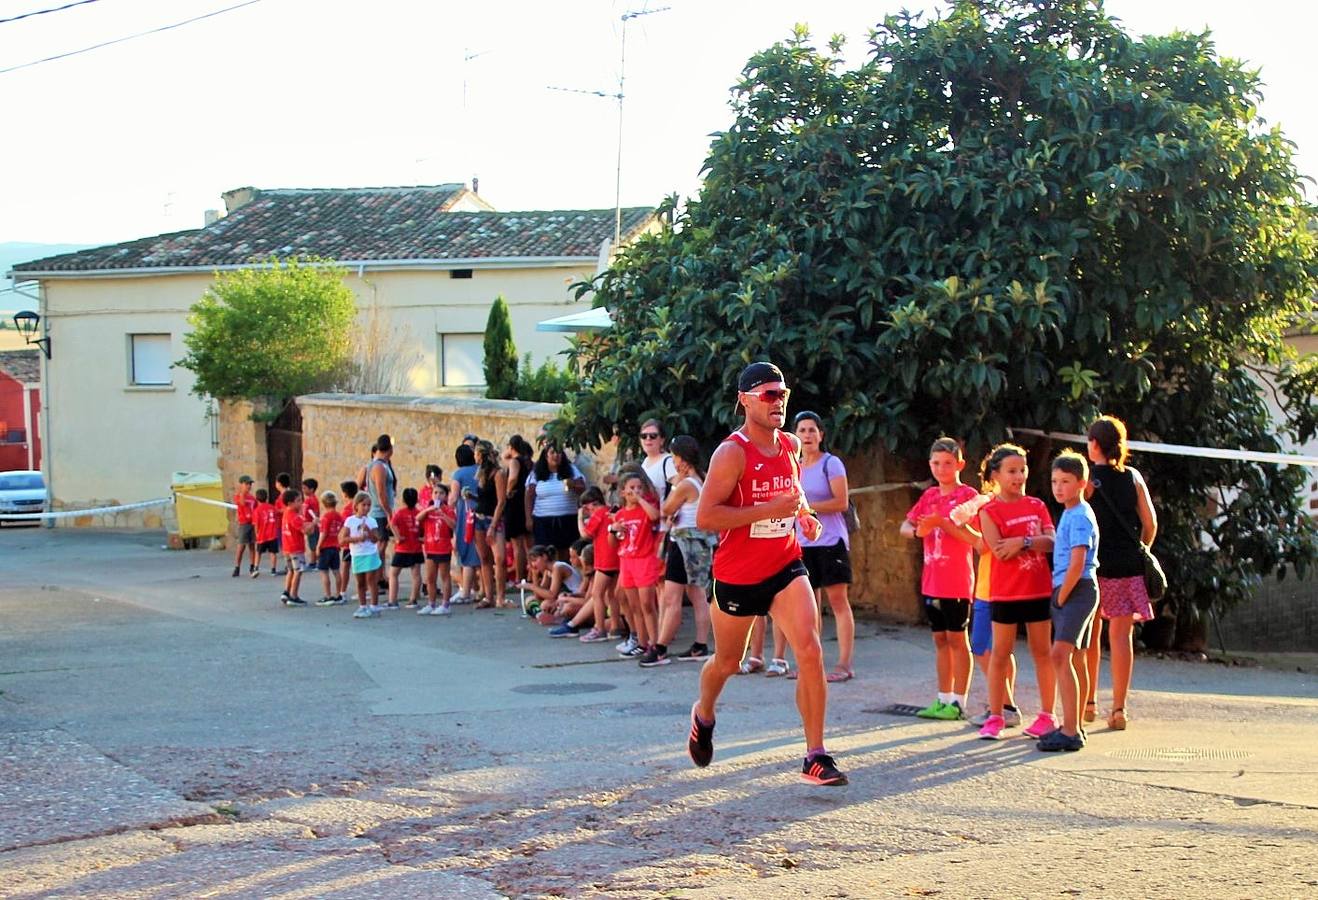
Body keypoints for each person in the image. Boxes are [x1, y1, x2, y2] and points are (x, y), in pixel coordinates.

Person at [688, 361, 847, 786]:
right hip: (739, 575)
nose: (779, 403)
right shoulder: (732, 452)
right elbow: (706, 517)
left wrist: (806, 516)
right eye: (769, 396)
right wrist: (767, 511)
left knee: (810, 650)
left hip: (785, 563)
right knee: (728, 662)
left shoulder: (792, 446)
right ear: (745, 400)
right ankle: (704, 713)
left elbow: (793, 500)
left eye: (783, 395)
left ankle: (815, 754)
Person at [976, 444, 1057, 741]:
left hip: (1037, 590)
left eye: (1022, 470)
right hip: (1005, 593)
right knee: (999, 654)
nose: (1019, 476)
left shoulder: (1037, 505)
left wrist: (1023, 541)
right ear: (996, 474)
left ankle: (1048, 715)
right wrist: (1027, 541)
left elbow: (1051, 540)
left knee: (1042, 653)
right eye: (1012, 471)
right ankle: (996, 715)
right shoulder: (989, 510)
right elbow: (998, 550)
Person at [1083, 415, 1157, 731]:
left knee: (1090, 636)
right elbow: (1151, 523)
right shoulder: (1134, 477)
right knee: (1122, 638)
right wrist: (1141, 548)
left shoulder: (1086, 481)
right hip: (1127, 566)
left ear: (1095, 444)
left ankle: (1088, 703)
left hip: (1094, 566)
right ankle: (1119, 709)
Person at [900, 436, 980, 719]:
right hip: (931, 579)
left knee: (958, 640)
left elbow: (978, 538)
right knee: (940, 640)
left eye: (947, 463)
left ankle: (959, 701)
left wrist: (943, 523)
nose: (941, 469)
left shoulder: (969, 497)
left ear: (959, 464)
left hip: (957, 580)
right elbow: (906, 525)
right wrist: (916, 531)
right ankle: (942, 697)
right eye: (936, 463)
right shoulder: (929, 496)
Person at [1039, 450, 1101, 752]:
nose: (1058, 487)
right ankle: (1071, 724)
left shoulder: (1079, 515)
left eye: (1065, 481)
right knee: (1072, 657)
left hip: (1076, 589)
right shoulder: (1069, 512)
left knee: (1059, 655)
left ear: (1081, 483)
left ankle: (1070, 730)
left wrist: (1062, 597)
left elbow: (1078, 562)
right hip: (1071, 589)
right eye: (1054, 481)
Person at [654, 435, 716, 664]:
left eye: (674, 457)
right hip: (698, 541)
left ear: (681, 458)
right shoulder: (703, 477)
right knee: (697, 594)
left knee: (672, 597)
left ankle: (660, 648)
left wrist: (675, 482)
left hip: (684, 542)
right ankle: (700, 644)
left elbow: (666, 508)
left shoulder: (687, 484)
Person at [611, 472, 663, 661]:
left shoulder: (645, 509)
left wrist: (640, 499)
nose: (636, 491)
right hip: (627, 560)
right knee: (634, 606)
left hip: (644, 559)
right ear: (623, 491)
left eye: (639, 487)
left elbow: (655, 516)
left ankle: (655, 644)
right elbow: (613, 543)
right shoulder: (620, 515)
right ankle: (641, 642)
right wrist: (613, 529)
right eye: (632, 488)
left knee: (647, 604)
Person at [524, 441, 586, 559]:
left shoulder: (571, 470)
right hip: (543, 521)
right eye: (552, 453)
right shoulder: (537, 472)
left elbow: (582, 488)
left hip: (568, 520)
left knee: (567, 553)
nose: (556, 455)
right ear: (546, 455)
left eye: (558, 452)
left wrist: (573, 484)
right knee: (546, 555)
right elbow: (529, 495)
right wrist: (528, 518)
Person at [576, 486, 619, 643]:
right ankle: (615, 627)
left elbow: (585, 534)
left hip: (605, 561)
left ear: (592, 504)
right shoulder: (610, 511)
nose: (587, 511)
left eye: (586, 508)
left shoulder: (599, 513)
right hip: (616, 559)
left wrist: (580, 518)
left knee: (597, 594)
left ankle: (599, 628)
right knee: (612, 595)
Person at [473, 440, 510, 609]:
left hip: (493, 519)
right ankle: (488, 595)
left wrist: (493, 526)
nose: (474, 456)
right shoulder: (480, 473)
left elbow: (501, 501)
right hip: (479, 518)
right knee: (484, 558)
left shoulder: (498, 474)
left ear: (481, 454)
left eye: (476, 452)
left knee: (500, 559)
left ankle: (500, 597)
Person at [361, 437, 397, 589]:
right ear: (389, 449)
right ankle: (373, 578)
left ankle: (379, 577)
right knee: (380, 545)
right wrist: (389, 512)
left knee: (382, 545)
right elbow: (381, 492)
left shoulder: (380, 465)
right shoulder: (379, 467)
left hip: (380, 511)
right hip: (379, 512)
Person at [417, 483, 456, 616]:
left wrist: (443, 514)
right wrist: (429, 510)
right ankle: (431, 603)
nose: (437, 495)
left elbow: (453, 525)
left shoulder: (448, 510)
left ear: (445, 496)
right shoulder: (428, 509)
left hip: (443, 547)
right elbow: (418, 518)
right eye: (435, 493)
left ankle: (446, 604)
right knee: (430, 578)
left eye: (441, 493)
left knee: (445, 577)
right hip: (430, 547)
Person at [449, 444, 482, 604]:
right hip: (482, 512)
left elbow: (454, 498)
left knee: (468, 553)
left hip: (466, 515)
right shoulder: (480, 470)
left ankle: (466, 592)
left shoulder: (459, 474)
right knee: (482, 553)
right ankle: (481, 590)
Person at [341, 493, 382, 618]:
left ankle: (374, 606)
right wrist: (357, 538)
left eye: (369, 505)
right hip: (357, 555)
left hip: (370, 553)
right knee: (360, 582)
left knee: (371, 580)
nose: (366, 508)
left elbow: (376, 539)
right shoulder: (350, 520)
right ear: (356, 505)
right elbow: (343, 539)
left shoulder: (372, 521)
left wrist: (369, 532)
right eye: (363, 505)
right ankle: (362, 606)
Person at [503, 435, 535, 582]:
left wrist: (507, 491)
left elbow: (513, 478)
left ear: (511, 447)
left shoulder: (515, 461)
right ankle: (532, 575)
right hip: (528, 502)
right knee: (529, 543)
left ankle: (519, 577)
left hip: (516, 501)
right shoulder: (529, 463)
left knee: (517, 544)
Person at [388, 487, 425, 609]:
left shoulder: (400, 513)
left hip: (402, 548)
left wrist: (398, 537)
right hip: (416, 548)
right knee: (416, 574)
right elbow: (422, 529)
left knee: (393, 574)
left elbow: (392, 524)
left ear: (403, 500)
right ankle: (413, 599)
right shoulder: (419, 513)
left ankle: (392, 601)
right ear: (416, 500)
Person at [279, 488, 312, 607]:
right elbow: (306, 530)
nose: (301, 503)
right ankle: (294, 595)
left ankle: (286, 592)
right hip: (295, 548)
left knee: (291, 570)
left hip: (287, 547)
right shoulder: (294, 516)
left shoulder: (287, 513)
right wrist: (314, 523)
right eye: (298, 501)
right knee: (298, 571)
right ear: (290, 503)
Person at [315, 490, 346, 606]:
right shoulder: (339, 516)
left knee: (324, 572)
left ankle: (328, 596)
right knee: (336, 571)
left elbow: (323, 532)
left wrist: (318, 546)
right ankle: (339, 594)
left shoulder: (326, 517)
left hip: (326, 546)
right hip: (335, 546)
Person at [231, 474, 258, 577]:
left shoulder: (252, 498)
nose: (249, 486)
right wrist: (242, 492)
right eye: (247, 484)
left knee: (252, 545)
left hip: (252, 522)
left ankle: (252, 566)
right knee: (241, 545)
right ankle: (237, 566)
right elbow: (241, 503)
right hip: (244, 523)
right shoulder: (239, 496)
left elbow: (255, 508)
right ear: (241, 484)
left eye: (250, 484)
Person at [338, 480, 360, 600]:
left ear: (345, 494)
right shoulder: (358, 506)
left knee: (346, 567)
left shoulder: (347, 509)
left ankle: (343, 591)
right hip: (359, 542)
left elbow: (344, 527)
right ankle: (363, 588)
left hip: (349, 543)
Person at [252, 488, 279, 576]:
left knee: (258, 552)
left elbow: (256, 524)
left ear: (257, 498)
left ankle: (256, 568)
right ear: (266, 498)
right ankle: (273, 569)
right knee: (273, 553)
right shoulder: (272, 508)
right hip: (272, 534)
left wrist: (256, 533)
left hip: (262, 534)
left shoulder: (257, 510)